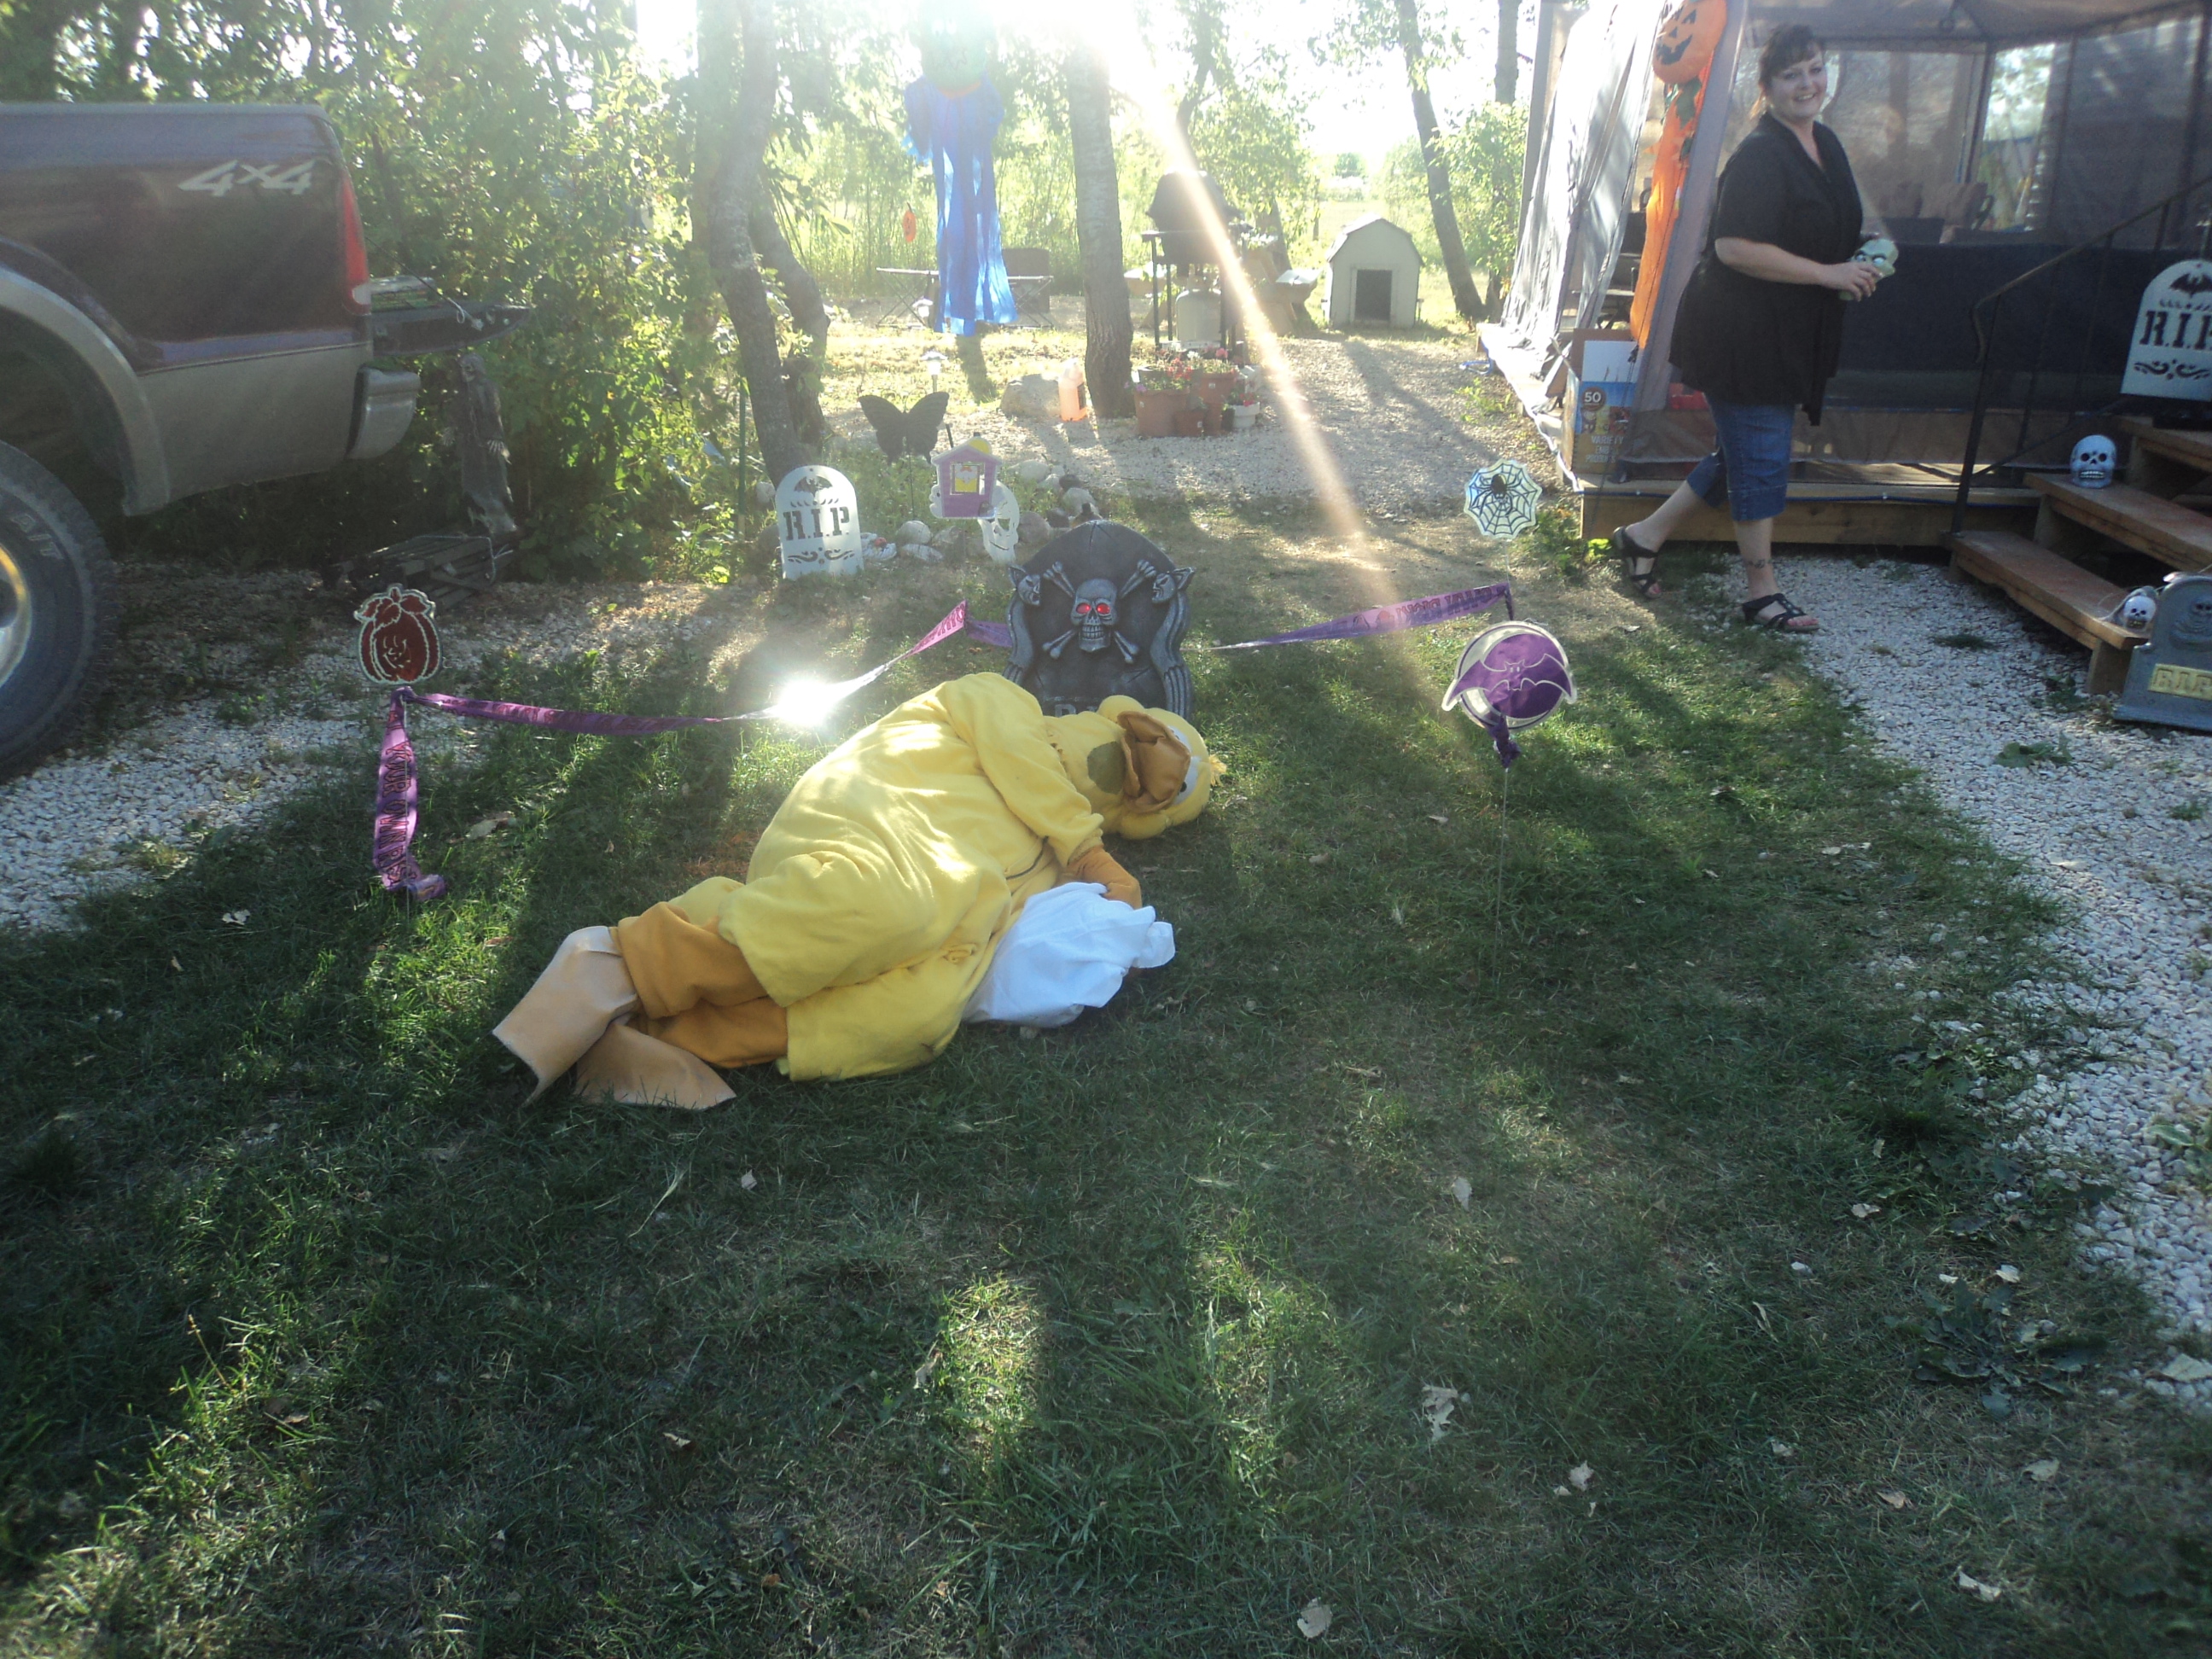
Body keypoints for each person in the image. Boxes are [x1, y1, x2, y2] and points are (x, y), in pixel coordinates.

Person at [492, 673, 1220, 1103]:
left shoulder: (1060, 863)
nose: (1125, 767)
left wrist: (1100, 937)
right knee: (891, 904)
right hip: (881, 822)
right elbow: (1024, 766)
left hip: (950, 894)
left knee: (920, 1017)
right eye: (1136, 745)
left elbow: (1019, 933)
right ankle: (624, 962)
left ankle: (667, 1035)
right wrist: (1088, 850)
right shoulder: (1003, 702)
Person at [1611, 24, 1872, 632]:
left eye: (1815, 69)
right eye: (1791, 75)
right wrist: (1828, 272)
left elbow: (1824, 225)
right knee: (1761, 458)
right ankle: (1761, 592)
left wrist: (1861, 257)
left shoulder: (1825, 144)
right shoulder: (1760, 155)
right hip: (1740, 332)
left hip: (1786, 331)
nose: (1807, 84)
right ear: (1767, 87)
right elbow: (1734, 247)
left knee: (1741, 454)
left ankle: (1642, 536)